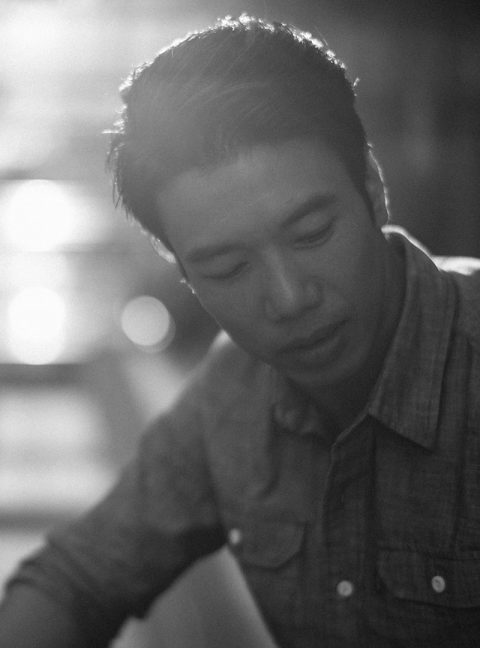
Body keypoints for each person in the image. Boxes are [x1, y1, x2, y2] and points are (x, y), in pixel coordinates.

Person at [2, 13, 480, 648]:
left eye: (312, 234)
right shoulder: (232, 393)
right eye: (228, 268)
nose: (289, 299)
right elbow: (77, 577)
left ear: (371, 187)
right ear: (183, 272)